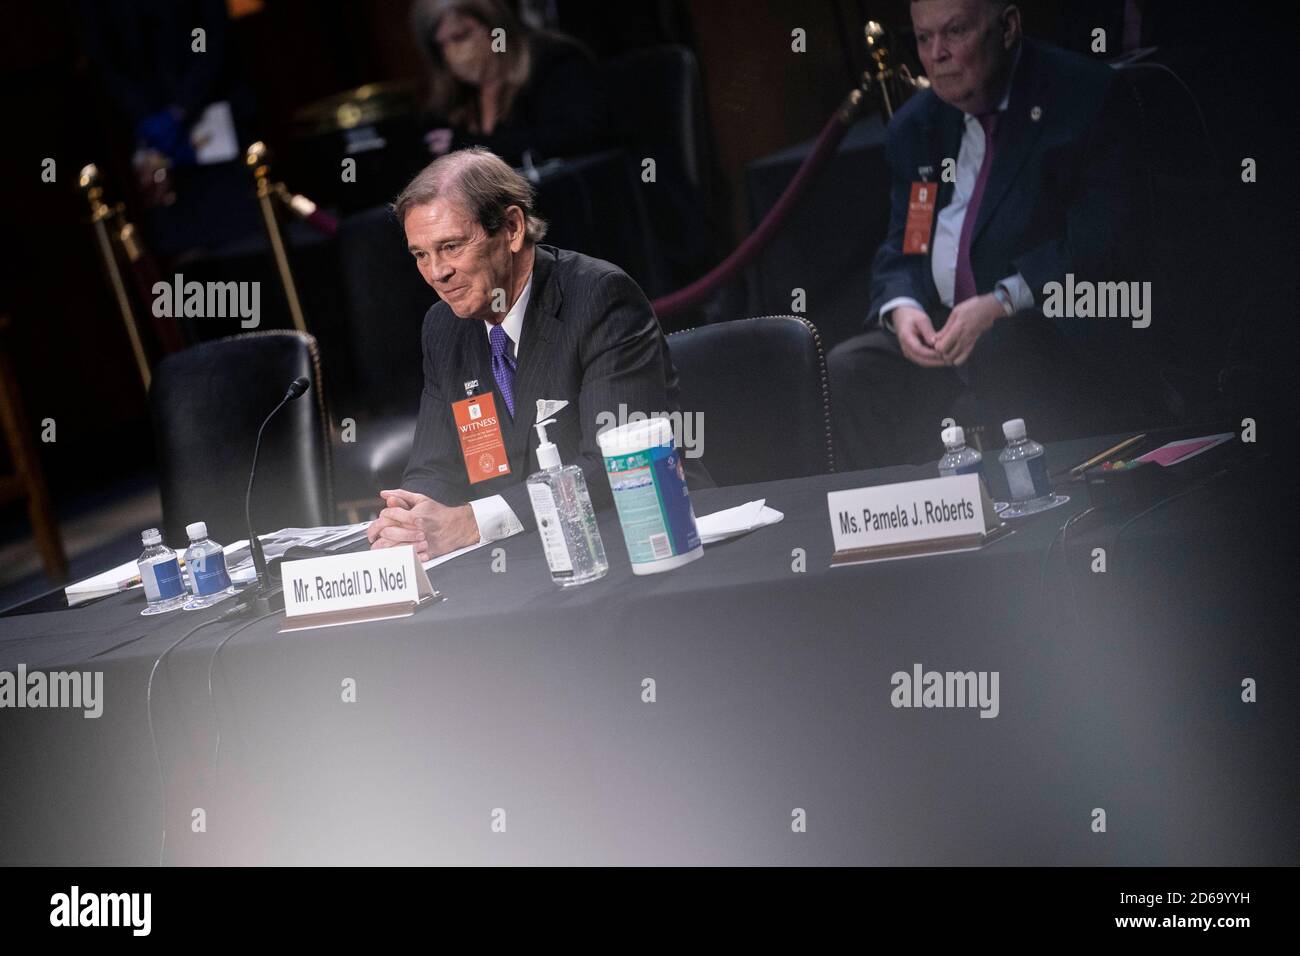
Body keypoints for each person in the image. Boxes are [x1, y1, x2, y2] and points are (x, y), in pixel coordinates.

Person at [827, 0, 1149, 469]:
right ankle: (904, 520)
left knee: (1001, 346)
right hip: (947, 332)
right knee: (852, 367)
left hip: (1044, 325)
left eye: (955, 32)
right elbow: (909, 241)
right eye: (922, 38)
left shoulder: (1083, 97)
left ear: (1007, 27)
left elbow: (1103, 244)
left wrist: (1000, 302)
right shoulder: (918, 127)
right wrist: (903, 308)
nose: (936, 53)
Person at [367, 147, 710, 560]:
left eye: (452, 246)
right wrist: (410, 520)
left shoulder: (598, 297)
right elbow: (434, 467)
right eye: (421, 255)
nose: (437, 272)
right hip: (523, 555)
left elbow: (616, 466)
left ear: (511, 228)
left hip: (643, 537)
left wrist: (471, 522)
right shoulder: (443, 327)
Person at [411, 0, 607, 166]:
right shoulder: (451, 101)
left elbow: (577, 137)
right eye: (441, 46)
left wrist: (469, 149)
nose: (453, 53)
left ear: (494, 27)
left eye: (460, 36)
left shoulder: (551, 63)